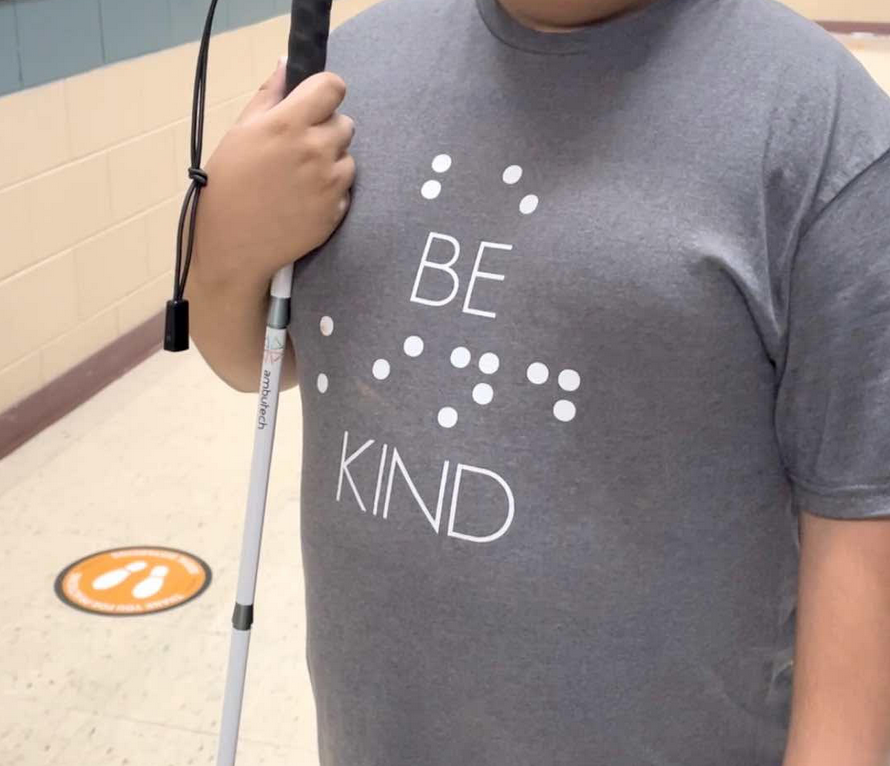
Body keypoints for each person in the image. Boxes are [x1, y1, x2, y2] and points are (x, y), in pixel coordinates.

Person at [185, 0, 890, 763]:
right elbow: (255, 359)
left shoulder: (822, 133)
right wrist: (224, 242)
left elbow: (862, 539)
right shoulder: (346, 77)